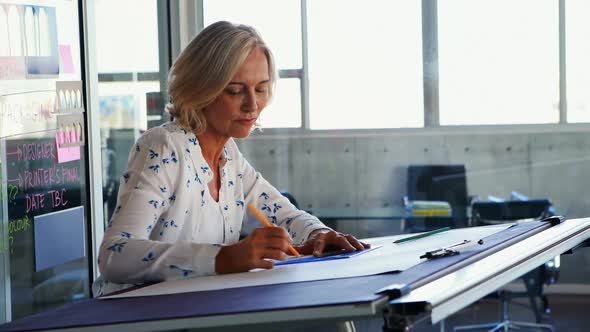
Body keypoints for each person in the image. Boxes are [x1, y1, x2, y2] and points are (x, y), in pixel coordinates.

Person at [93, 21, 368, 296]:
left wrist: (317, 235)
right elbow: (114, 255)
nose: (253, 105)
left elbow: (282, 213)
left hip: (200, 312)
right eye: (235, 90)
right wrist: (223, 258)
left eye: (260, 89)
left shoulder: (229, 156)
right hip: (137, 318)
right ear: (201, 89)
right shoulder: (165, 147)